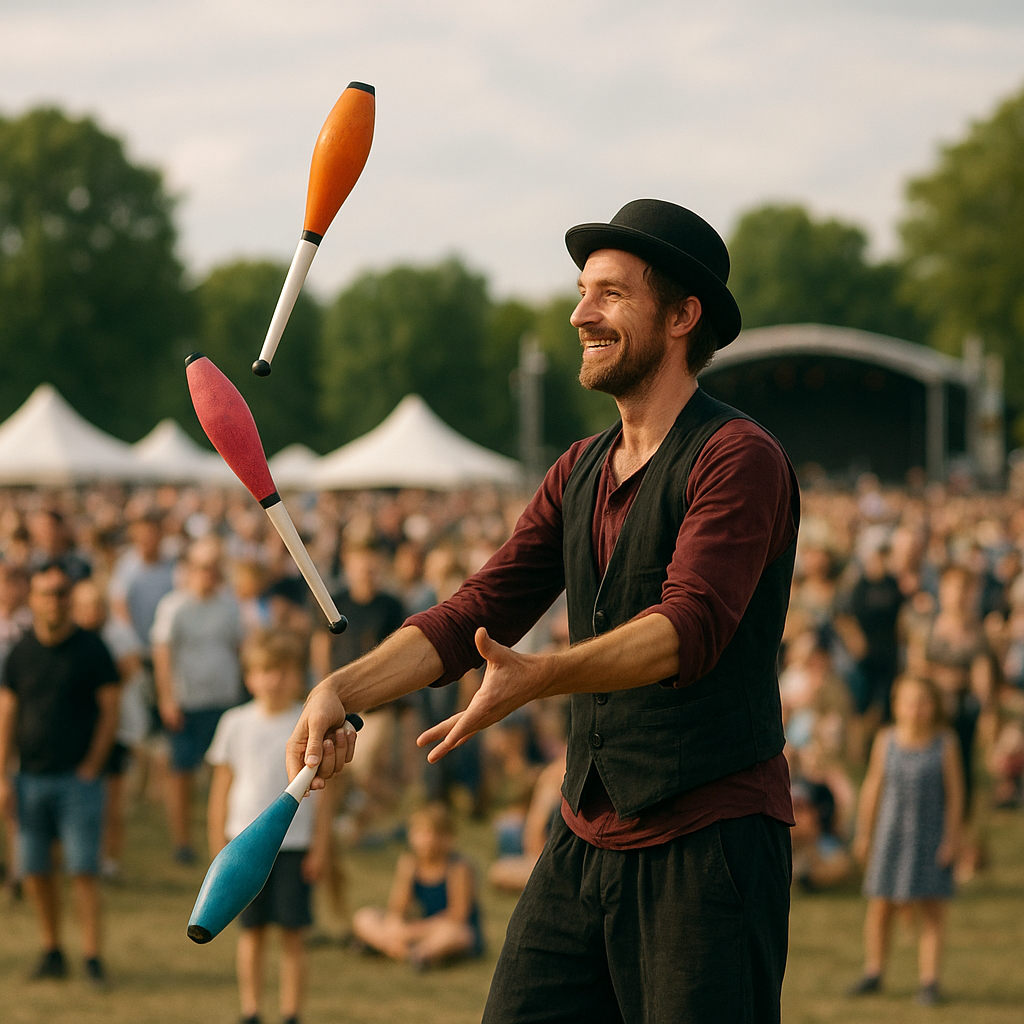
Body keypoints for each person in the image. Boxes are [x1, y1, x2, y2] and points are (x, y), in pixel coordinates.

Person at [289, 199, 800, 1023]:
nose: (580, 314)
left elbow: (689, 629)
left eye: (610, 294)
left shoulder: (738, 457)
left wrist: (540, 676)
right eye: (581, 291)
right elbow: (476, 612)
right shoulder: (578, 469)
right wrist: (341, 691)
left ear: (682, 316)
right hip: (583, 834)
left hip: (709, 841)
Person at [0, 563, 120, 984]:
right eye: (46, 593)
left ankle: (91, 957)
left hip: (77, 781)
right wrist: (2, 775)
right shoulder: (19, 652)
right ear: (32, 599)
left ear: (70, 598)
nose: (54, 601)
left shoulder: (92, 649)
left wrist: (93, 765)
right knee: (35, 872)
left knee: (83, 870)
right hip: (29, 779)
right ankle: (51, 949)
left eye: (61, 592)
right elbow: (7, 712)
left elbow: (110, 709)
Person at [206, 629, 332, 1024]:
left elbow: (324, 797)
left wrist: (320, 847)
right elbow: (221, 790)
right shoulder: (234, 723)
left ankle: (291, 1012)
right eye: (265, 671)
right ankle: (252, 1010)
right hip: (243, 847)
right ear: (249, 677)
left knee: (293, 933)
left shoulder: (307, 723)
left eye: (283, 671)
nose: (274, 680)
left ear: (298, 675)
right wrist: (218, 846)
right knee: (252, 931)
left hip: (294, 845)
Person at [850, 675, 964, 1006]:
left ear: (934, 706)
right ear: (897, 705)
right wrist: (864, 833)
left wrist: (952, 838)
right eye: (909, 703)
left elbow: (955, 795)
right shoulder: (885, 740)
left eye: (923, 703)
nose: (916, 710)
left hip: (930, 838)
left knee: (931, 910)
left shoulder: (946, 743)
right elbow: (872, 788)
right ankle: (874, 971)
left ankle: (929, 981)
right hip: (890, 836)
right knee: (880, 905)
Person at [151, 536, 243, 862]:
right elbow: (162, 653)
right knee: (182, 774)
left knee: (225, 774)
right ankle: (183, 842)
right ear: (190, 569)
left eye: (215, 567)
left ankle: (223, 838)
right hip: (187, 702)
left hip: (223, 701)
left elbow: (240, 648)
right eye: (204, 567)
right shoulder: (174, 606)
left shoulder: (230, 605)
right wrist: (167, 698)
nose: (209, 574)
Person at [351, 802, 483, 969]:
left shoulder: (457, 867)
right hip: (419, 929)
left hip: (444, 928)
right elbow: (398, 908)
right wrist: (395, 923)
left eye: (435, 834)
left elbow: (457, 916)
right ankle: (408, 954)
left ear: (449, 838)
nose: (428, 840)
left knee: (458, 934)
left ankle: (404, 950)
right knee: (364, 917)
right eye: (422, 833)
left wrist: (410, 932)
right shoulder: (410, 864)